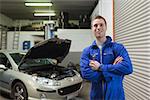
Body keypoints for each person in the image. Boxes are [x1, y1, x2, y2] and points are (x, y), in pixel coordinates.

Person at [80, 15, 133, 100]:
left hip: (116, 96)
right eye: (95, 25)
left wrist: (100, 67)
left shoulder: (118, 48)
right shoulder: (87, 51)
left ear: (106, 27)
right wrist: (113, 72)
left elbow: (128, 68)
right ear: (92, 29)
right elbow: (86, 74)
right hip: (96, 96)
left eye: (101, 25)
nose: (98, 28)